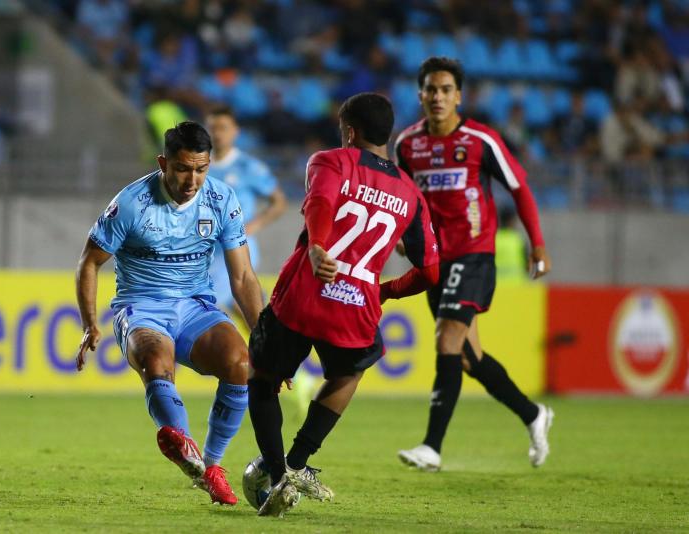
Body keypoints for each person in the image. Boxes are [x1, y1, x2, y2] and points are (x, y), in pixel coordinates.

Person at [248, 92, 440, 517]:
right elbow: (430, 272)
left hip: (304, 293)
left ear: (350, 132)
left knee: (262, 381)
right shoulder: (411, 194)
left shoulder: (330, 161)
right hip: (357, 306)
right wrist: (384, 291)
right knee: (347, 374)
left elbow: (321, 202)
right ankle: (298, 464)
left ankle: (279, 473)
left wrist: (318, 246)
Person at [75, 121, 264, 506]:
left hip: (196, 307)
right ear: (164, 163)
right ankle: (182, 444)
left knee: (241, 363)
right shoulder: (131, 203)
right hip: (141, 307)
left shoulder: (222, 200)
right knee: (155, 360)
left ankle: (210, 467)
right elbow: (89, 263)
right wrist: (89, 323)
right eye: (182, 168)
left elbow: (243, 276)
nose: (192, 179)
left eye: (201, 168)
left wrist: (265, 337)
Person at [394, 57, 554, 473]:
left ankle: (431, 446)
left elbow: (519, 188)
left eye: (446, 89)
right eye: (430, 89)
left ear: (459, 96)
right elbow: (403, 200)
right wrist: (399, 236)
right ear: (420, 95)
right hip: (434, 261)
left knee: (447, 340)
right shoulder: (407, 145)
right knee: (467, 357)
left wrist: (536, 244)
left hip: (475, 253)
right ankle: (534, 414)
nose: (438, 97)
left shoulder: (481, 140)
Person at [205, 105, 286, 317]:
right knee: (251, 313)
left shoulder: (248, 167)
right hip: (208, 248)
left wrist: (255, 225)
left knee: (206, 304)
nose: (217, 133)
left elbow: (278, 201)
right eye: (213, 128)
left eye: (223, 127)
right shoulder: (200, 166)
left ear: (235, 131)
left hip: (237, 247)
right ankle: (271, 344)